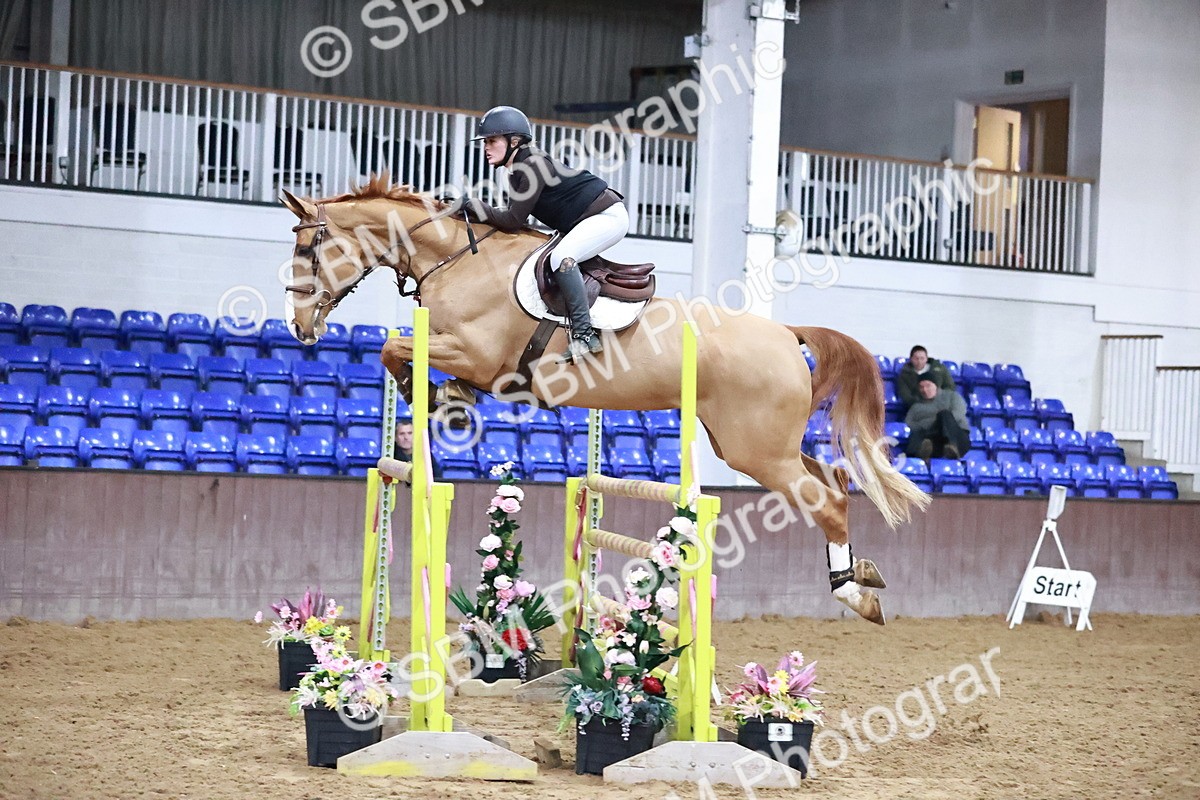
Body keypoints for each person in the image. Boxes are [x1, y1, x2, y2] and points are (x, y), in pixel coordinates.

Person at [462, 105, 628, 364]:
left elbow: (513, 221)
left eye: (491, 140)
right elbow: (513, 220)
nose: (485, 146)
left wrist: (474, 205)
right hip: (584, 219)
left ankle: (585, 335)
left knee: (562, 258)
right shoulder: (517, 169)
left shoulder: (532, 165)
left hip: (606, 217)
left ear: (513, 141)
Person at [904, 376, 971, 460]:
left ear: (936, 385)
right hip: (933, 439)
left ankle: (952, 447)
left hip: (957, 438)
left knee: (944, 414)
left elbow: (958, 414)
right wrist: (931, 425)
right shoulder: (915, 407)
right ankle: (919, 455)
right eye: (921, 387)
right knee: (917, 433)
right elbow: (908, 424)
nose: (924, 390)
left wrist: (936, 422)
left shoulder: (953, 397)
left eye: (928, 386)